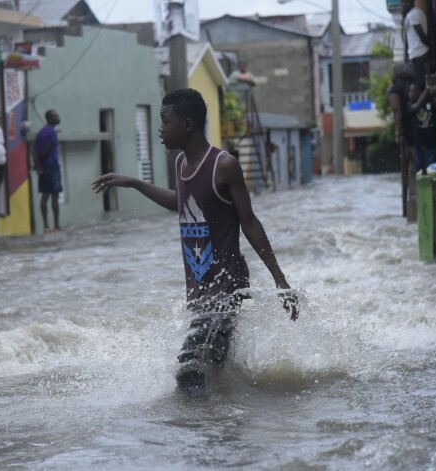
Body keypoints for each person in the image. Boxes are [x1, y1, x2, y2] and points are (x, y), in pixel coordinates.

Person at [91, 89, 298, 396]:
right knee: (212, 366)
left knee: (189, 367)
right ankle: (224, 427)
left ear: (187, 125)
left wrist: (280, 280)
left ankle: (200, 433)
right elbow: (182, 201)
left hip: (227, 286)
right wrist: (133, 182)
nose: (160, 128)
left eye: (164, 120)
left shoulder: (223, 165)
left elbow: (250, 222)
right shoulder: (180, 164)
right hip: (201, 288)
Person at [387, 64, 414, 217]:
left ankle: (407, 208)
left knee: (407, 166)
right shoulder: (413, 85)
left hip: (407, 133)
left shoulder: (395, 90)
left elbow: (397, 111)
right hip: (420, 129)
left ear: (396, 76)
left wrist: (400, 133)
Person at [34, 109, 62, 233]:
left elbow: (34, 150)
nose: (58, 117)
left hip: (43, 168)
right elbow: (48, 148)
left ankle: (45, 225)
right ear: (49, 118)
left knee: (44, 196)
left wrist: (38, 166)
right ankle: (56, 225)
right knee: (54, 196)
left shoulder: (40, 133)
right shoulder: (52, 132)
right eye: (55, 116)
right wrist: (43, 160)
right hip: (52, 166)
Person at [408, 82, 436, 175]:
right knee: (419, 173)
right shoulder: (410, 104)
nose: (410, 93)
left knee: (432, 171)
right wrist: (427, 90)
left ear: (419, 92)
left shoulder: (431, 101)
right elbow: (415, 108)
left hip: (432, 144)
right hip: (419, 145)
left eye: (412, 91)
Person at [402, 0, 429, 86]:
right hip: (417, 54)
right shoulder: (411, 14)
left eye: (405, 2)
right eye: (402, 2)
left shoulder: (414, 15)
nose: (404, 4)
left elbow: (421, 34)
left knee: (420, 84)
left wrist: (429, 48)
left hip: (419, 54)